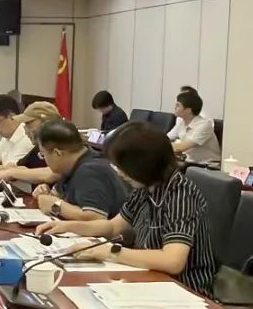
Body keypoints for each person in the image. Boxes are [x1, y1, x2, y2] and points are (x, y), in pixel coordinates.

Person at [37, 122, 216, 296]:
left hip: (183, 290)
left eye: (122, 167)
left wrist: (111, 251)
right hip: (149, 278)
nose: (119, 173)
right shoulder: (146, 187)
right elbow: (114, 227)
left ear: (143, 164)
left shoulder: (180, 194)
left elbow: (172, 261)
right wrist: (68, 227)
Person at [30, 120, 128, 221]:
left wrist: (54, 205)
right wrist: (46, 192)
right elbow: (58, 197)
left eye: (43, 154)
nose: (44, 159)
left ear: (57, 153)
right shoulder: (71, 166)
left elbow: (95, 217)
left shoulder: (91, 171)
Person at [0, 101, 63, 184]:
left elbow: (54, 173)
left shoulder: (64, 143)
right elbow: (20, 166)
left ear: (46, 122)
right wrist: (15, 168)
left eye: (28, 124)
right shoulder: (38, 148)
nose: (26, 131)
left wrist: (12, 173)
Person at [167, 90, 221, 164]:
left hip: (207, 165)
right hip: (189, 162)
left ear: (188, 110)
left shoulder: (204, 125)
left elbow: (181, 147)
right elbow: (167, 138)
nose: (175, 107)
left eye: (178, 105)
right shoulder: (181, 121)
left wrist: (160, 146)